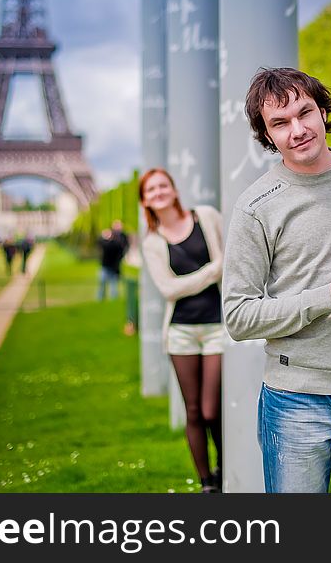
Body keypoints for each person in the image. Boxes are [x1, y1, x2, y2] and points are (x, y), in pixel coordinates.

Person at [222, 67, 331, 493]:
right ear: (266, 135)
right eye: (280, 122)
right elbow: (238, 317)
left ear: (322, 110)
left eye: (304, 113)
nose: (297, 129)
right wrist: (329, 296)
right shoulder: (255, 207)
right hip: (296, 399)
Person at [139, 168, 224, 493]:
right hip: (181, 332)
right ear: (145, 200)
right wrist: (212, 271)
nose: (158, 192)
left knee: (210, 408)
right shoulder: (153, 241)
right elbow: (169, 290)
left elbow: (230, 261)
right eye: (151, 190)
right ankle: (207, 483)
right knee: (192, 410)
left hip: (217, 326)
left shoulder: (205, 216)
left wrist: (208, 274)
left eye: (163, 186)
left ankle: (223, 466)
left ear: (173, 190)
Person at [97, 227, 124, 300]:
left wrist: (105, 237)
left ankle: (112, 299)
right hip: (106, 267)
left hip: (112, 268)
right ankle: (101, 298)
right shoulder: (107, 243)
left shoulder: (114, 245)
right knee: (102, 286)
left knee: (113, 287)